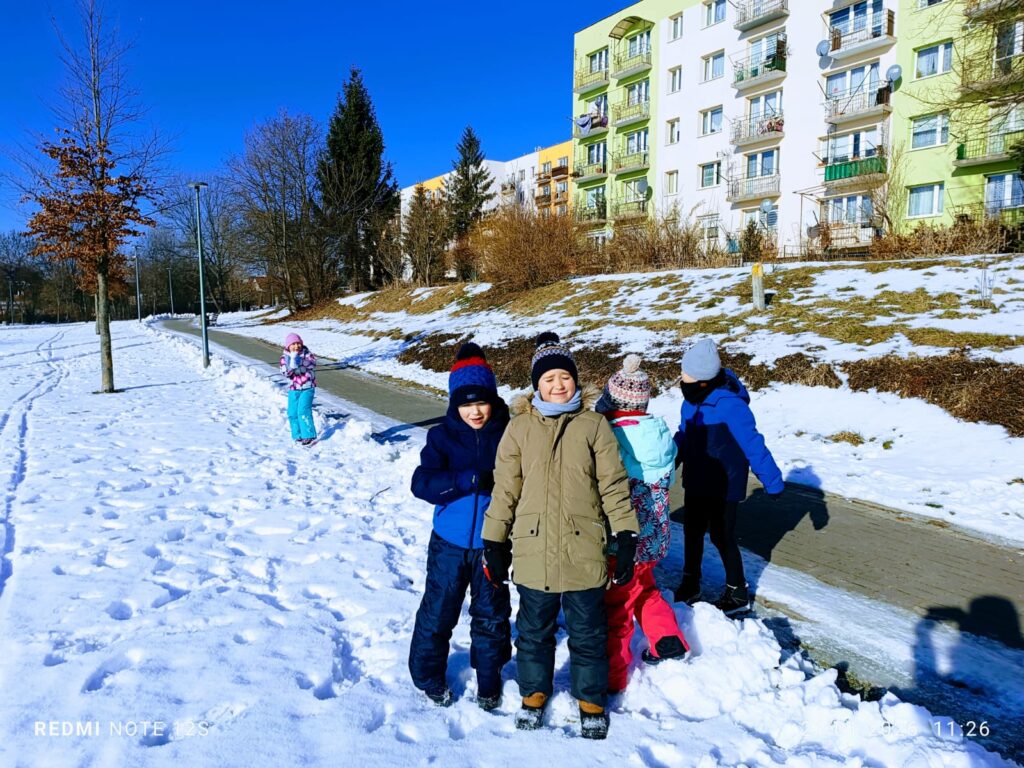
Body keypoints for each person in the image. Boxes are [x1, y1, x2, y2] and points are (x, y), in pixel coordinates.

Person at [482, 332, 637, 740]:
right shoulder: (518, 429)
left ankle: (590, 699)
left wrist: (625, 534)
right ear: (536, 385)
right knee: (533, 630)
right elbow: (506, 489)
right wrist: (494, 541)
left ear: (575, 381)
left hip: (583, 545)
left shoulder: (593, 426)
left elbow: (613, 485)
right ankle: (533, 693)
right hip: (533, 547)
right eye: (548, 378)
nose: (557, 385)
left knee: (588, 630)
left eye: (564, 378)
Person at [409, 343, 512, 711]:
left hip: (492, 542)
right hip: (449, 544)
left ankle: (488, 680)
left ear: (492, 400)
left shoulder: (509, 433)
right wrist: (465, 480)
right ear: (455, 403)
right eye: (466, 404)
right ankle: (428, 676)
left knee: (491, 614)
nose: (475, 411)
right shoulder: (442, 436)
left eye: (481, 402)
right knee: (438, 610)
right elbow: (421, 483)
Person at [595, 354, 689, 692]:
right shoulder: (657, 433)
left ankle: (614, 677)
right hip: (654, 537)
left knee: (617, 608)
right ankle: (667, 636)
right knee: (645, 589)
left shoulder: (613, 438)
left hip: (625, 540)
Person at [672, 338, 784, 616]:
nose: (680, 379)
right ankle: (690, 581)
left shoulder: (730, 405)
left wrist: (772, 480)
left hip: (725, 485)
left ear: (701, 378)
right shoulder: (691, 403)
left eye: (685, 374)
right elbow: (683, 437)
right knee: (692, 531)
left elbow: (753, 443)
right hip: (696, 479)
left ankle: (737, 591)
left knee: (722, 536)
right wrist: (669, 462)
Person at [280, 333, 317, 445]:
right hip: (293, 388)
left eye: (298, 343)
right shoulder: (284, 358)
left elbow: (312, 364)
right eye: (293, 344)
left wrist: (298, 360)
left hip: (307, 387)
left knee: (303, 410)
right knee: (292, 412)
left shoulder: (307, 354)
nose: (296, 346)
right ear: (288, 346)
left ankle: (308, 435)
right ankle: (297, 435)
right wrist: (291, 364)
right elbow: (285, 373)